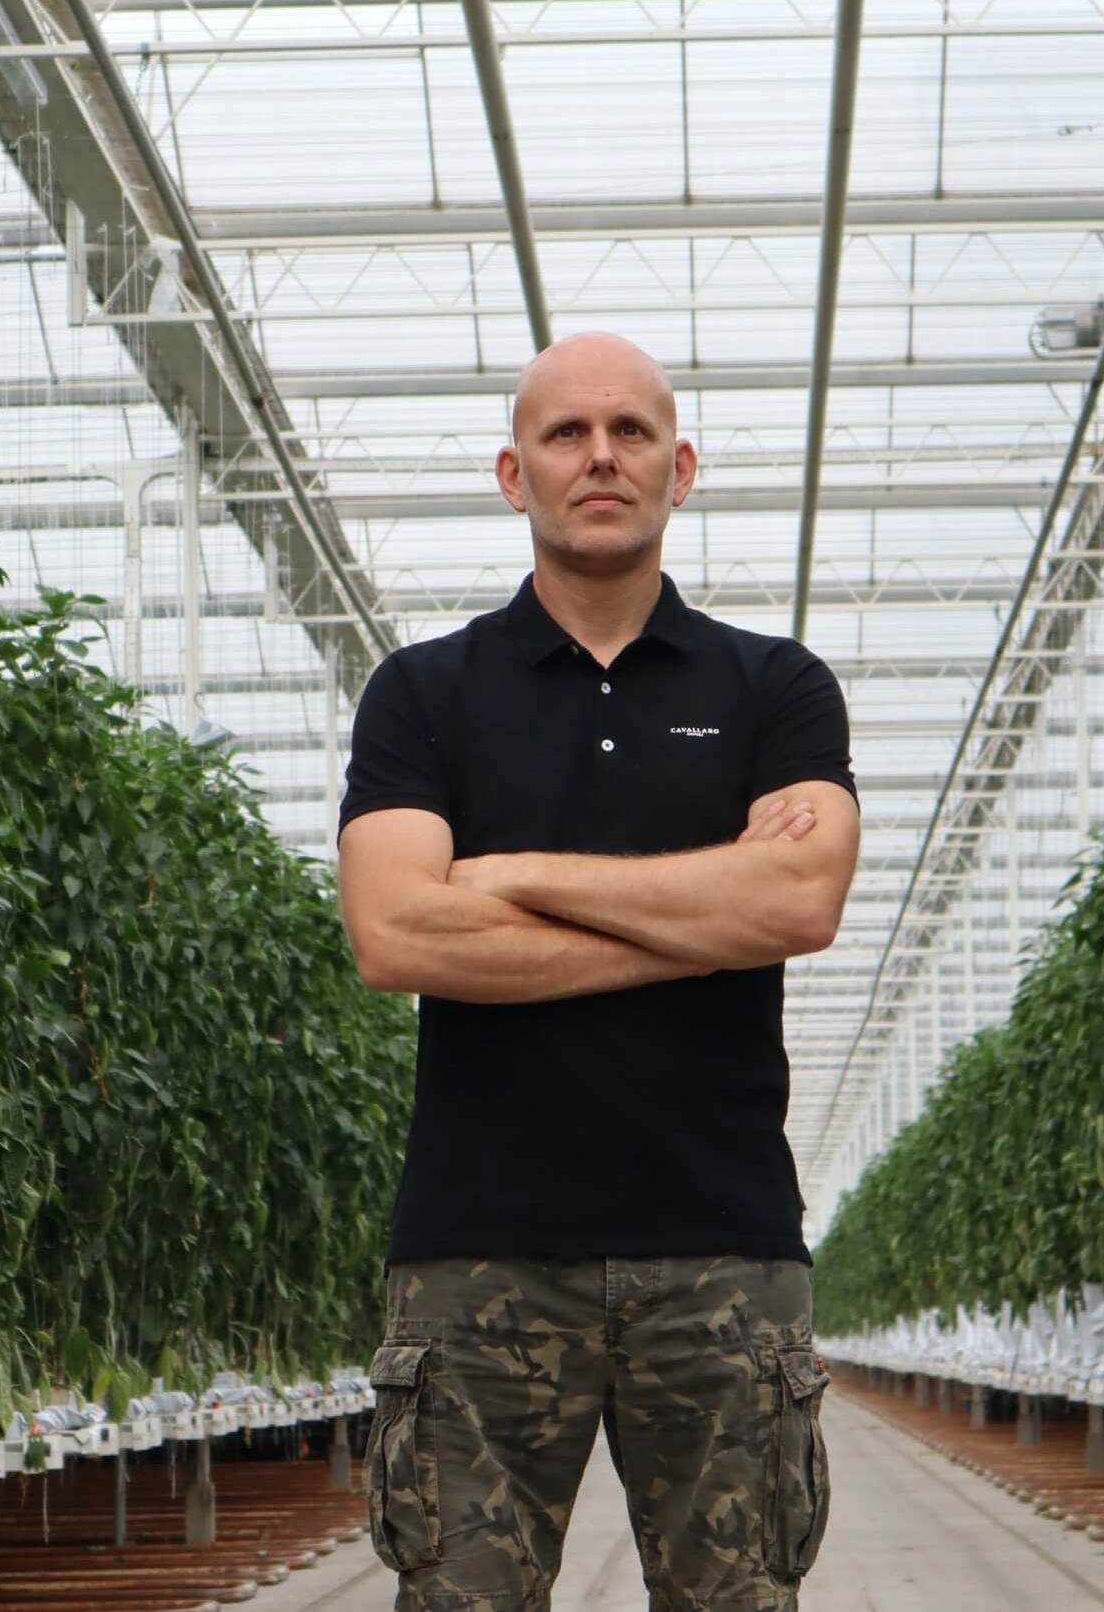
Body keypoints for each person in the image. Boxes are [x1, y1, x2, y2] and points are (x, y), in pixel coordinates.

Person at [336, 331, 861, 1612]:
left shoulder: (775, 687)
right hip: (478, 1256)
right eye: (565, 434)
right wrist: (697, 916)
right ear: (512, 474)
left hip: (721, 1250)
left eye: (631, 432)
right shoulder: (422, 693)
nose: (600, 457)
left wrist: (509, 875)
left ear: (679, 468)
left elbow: (797, 899)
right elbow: (395, 936)